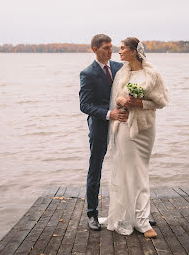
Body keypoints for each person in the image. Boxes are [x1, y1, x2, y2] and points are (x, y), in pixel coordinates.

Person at [103, 37, 169, 238]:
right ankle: (139, 220)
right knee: (132, 172)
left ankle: (138, 217)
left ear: (134, 51)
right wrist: (122, 100)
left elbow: (161, 101)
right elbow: (116, 99)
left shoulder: (152, 74)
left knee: (141, 170)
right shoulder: (122, 73)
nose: (119, 51)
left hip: (145, 129)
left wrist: (140, 104)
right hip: (125, 128)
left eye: (123, 48)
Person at [79, 34, 128, 231]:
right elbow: (84, 105)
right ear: (95, 49)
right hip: (99, 124)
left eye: (111, 47)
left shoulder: (119, 68)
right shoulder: (87, 73)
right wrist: (109, 114)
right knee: (95, 167)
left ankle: (135, 214)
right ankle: (92, 213)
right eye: (106, 48)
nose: (110, 51)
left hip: (122, 124)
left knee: (128, 165)